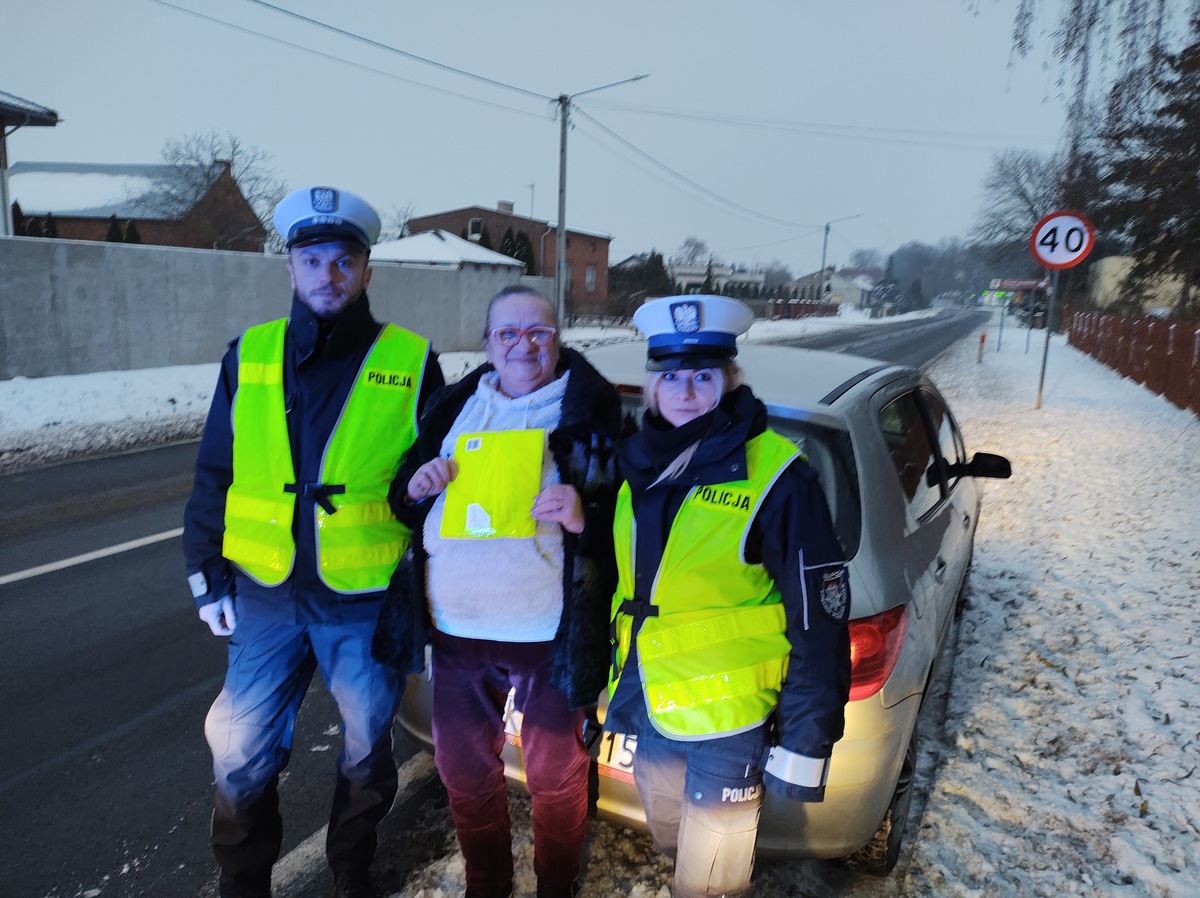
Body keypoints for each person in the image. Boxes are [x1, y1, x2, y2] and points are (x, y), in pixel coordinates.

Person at [183, 185, 445, 898]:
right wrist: (204, 570)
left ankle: (352, 870)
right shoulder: (250, 355)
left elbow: (432, 486)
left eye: (343, 261)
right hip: (264, 594)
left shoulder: (412, 361)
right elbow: (215, 471)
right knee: (239, 752)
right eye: (312, 260)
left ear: (366, 271)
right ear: (290, 269)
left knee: (365, 747)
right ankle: (243, 882)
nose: (327, 275)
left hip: (363, 600)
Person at [372, 285, 624, 898]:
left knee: (555, 778)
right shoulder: (453, 409)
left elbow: (628, 520)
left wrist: (584, 515)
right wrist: (417, 485)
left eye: (538, 332)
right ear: (488, 344)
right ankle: (488, 883)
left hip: (545, 633)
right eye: (508, 333)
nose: (523, 345)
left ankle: (556, 885)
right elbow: (405, 497)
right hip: (455, 627)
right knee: (463, 774)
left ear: (557, 341)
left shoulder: (591, 416)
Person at [605, 295, 851, 898]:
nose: (686, 392)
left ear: (730, 381)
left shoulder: (780, 476)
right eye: (671, 377)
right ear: (651, 386)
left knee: (710, 882)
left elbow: (819, 621)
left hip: (731, 720)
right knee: (670, 839)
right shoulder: (635, 463)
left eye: (703, 376)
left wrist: (805, 740)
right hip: (652, 702)